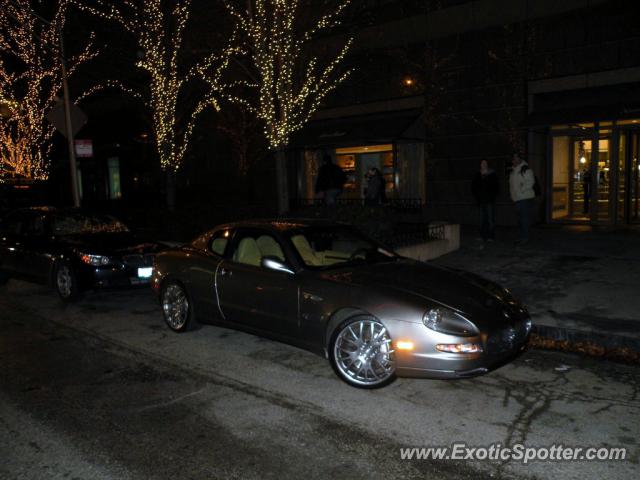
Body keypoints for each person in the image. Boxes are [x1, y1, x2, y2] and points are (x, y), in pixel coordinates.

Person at [509, 151, 535, 244]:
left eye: (516, 158)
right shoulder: (513, 171)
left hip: (524, 198)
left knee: (524, 220)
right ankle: (521, 237)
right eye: (513, 158)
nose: (514, 160)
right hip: (517, 199)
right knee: (520, 220)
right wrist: (513, 195)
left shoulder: (525, 169)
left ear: (520, 159)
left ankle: (525, 238)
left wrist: (521, 190)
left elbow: (531, 181)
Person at [471, 159, 499, 241]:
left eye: (485, 163)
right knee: (481, 220)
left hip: (489, 201)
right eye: (482, 163)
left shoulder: (492, 174)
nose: (483, 164)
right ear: (480, 165)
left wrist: (492, 197)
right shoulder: (477, 175)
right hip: (481, 201)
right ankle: (482, 235)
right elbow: (473, 187)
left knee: (490, 219)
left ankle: (491, 236)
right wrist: (477, 197)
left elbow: (496, 187)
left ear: (487, 164)